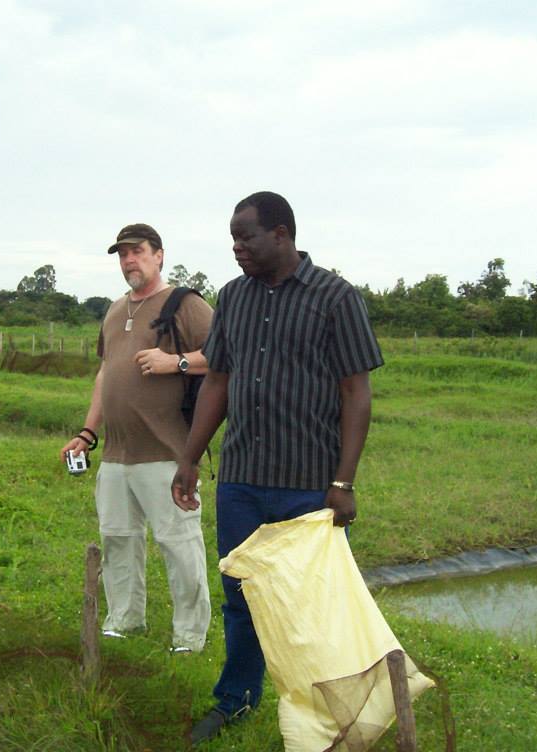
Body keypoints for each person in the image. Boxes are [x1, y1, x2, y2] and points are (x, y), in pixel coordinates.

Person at [171, 192, 384, 744]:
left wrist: (343, 482)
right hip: (242, 478)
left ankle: (328, 710)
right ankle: (236, 698)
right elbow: (216, 380)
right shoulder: (233, 298)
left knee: (311, 603)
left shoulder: (335, 298)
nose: (237, 248)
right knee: (241, 595)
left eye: (247, 237)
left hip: (307, 483)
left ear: (282, 234)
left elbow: (355, 391)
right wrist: (190, 458)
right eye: (233, 239)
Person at [60, 223, 213, 653]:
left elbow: (227, 354)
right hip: (116, 455)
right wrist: (88, 432)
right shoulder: (113, 311)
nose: (130, 260)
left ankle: (189, 637)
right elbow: (106, 374)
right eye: (123, 254)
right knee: (118, 539)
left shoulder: (186, 304)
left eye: (138, 251)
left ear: (159, 255)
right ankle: (124, 621)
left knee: (179, 544)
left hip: (167, 451)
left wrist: (175, 363)